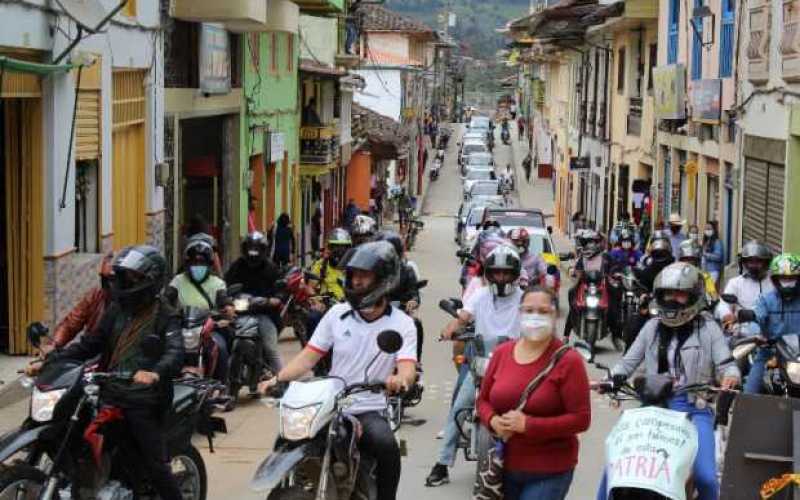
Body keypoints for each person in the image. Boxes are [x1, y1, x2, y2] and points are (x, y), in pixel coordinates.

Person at [259, 241, 417, 500]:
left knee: (386, 445)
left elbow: (407, 367)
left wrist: (399, 379)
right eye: (353, 275)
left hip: (367, 407)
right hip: (330, 403)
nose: (355, 281)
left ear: (384, 280)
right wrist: (277, 378)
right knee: (286, 437)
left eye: (363, 276)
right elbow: (309, 356)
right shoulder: (337, 314)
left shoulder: (402, 323)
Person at [27, 246, 185, 500]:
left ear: (150, 280)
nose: (123, 283)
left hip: (145, 399)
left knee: (156, 465)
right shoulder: (117, 311)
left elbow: (175, 352)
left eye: (131, 278)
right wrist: (52, 360)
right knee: (73, 431)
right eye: (122, 277)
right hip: (111, 391)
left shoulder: (166, 314)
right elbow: (90, 344)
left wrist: (154, 373)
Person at [597, 262, 739, 500]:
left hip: (693, 409)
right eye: (667, 294)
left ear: (694, 296)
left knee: (706, 477)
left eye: (680, 294)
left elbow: (727, 364)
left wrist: (731, 376)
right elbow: (627, 362)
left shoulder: (708, 328)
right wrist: (610, 379)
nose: (673, 300)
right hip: (651, 409)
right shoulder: (652, 327)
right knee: (615, 467)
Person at [478, 286, 591, 499]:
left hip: (549, 471)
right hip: (502, 467)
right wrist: (492, 420)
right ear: (519, 313)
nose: (535, 317)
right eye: (529, 311)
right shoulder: (502, 353)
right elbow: (482, 401)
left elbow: (581, 419)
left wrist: (528, 425)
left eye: (543, 311)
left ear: (555, 315)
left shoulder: (569, 361)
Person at [426, 245, 523, 487]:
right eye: (496, 273)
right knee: (459, 407)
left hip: (514, 366)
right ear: (489, 274)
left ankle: (528, 464)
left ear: (515, 273)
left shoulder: (524, 298)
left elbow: (537, 323)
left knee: (529, 408)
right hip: (482, 362)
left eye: (506, 273)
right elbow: (463, 318)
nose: (501, 278)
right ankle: (442, 464)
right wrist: (450, 330)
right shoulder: (480, 295)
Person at [167, 238, 234, 382]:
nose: (198, 266)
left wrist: (227, 309)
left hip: (209, 328)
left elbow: (224, 301)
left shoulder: (218, 283)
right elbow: (166, 299)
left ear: (209, 265)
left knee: (220, 347)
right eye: (194, 263)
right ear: (187, 264)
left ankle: (221, 387)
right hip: (181, 327)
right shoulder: (178, 281)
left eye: (202, 263)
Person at [224, 232, 285, 374]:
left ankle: (282, 381)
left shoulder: (271, 268)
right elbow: (225, 285)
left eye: (256, 249)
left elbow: (280, 290)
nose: (253, 253)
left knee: (271, 349)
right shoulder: (237, 266)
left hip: (264, 314)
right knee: (224, 342)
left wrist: (273, 300)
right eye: (250, 248)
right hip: (240, 313)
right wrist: (227, 300)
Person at [40, 252, 115, 355]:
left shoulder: (132, 306)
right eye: (105, 280)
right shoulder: (95, 296)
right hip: (91, 353)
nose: (110, 286)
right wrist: (54, 344)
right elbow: (71, 323)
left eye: (113, 280)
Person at [745, 253, 800, 394]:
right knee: (750, 391)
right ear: (775, 279)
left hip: (797, 355)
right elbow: (756, 318)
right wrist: (756, 334)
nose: (788, 281)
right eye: (784, 278)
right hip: (770, 351)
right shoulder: (766, 300)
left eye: (792, 278)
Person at [374, 229, 425, 361]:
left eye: (391, 254)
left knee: (416, 324)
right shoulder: (371, 271)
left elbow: (414, 292)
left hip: (399, 312)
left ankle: (416, 362)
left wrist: (413, 301)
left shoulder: (407, 271)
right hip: (373, 313)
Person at [715, 241, 774, 336]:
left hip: (772, 331)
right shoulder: (735, 283)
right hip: (743, 332)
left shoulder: (774, 283)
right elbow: (723, 304)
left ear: (766, 263)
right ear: (744, 263)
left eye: (758, 261)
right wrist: (727, 315)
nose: (753, 265)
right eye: (750, 261)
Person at [564, 230, 608, 339]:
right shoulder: (582, 259)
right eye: (588, 243)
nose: (590, 246)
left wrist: (614, 275)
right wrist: (575, 273)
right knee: (572, 301)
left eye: (593, 242)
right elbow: (576, 270)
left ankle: (616, 333)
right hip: (584, 285)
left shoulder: (604, 258)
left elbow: (613, 268)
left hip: (600, 286)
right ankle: (566, 335)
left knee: (614, 302)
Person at [678, 239, 719, 305]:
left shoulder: (704, 276)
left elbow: (713, 293)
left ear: (697, 260)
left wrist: (715, 301)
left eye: (691, 259)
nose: (688, 261)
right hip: (679, 307)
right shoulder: (676, 274)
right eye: (686, 259)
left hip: (699, 308)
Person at [702, 221, 724, 285]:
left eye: (709, 229)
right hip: (705, 271)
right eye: (706, 229)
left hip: (713, 271)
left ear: (714, 230)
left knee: (710, 292)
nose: (707, 231)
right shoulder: (706, 242)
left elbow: (718, 257)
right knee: (708, 292)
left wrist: (706, 255)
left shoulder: (717, 242)